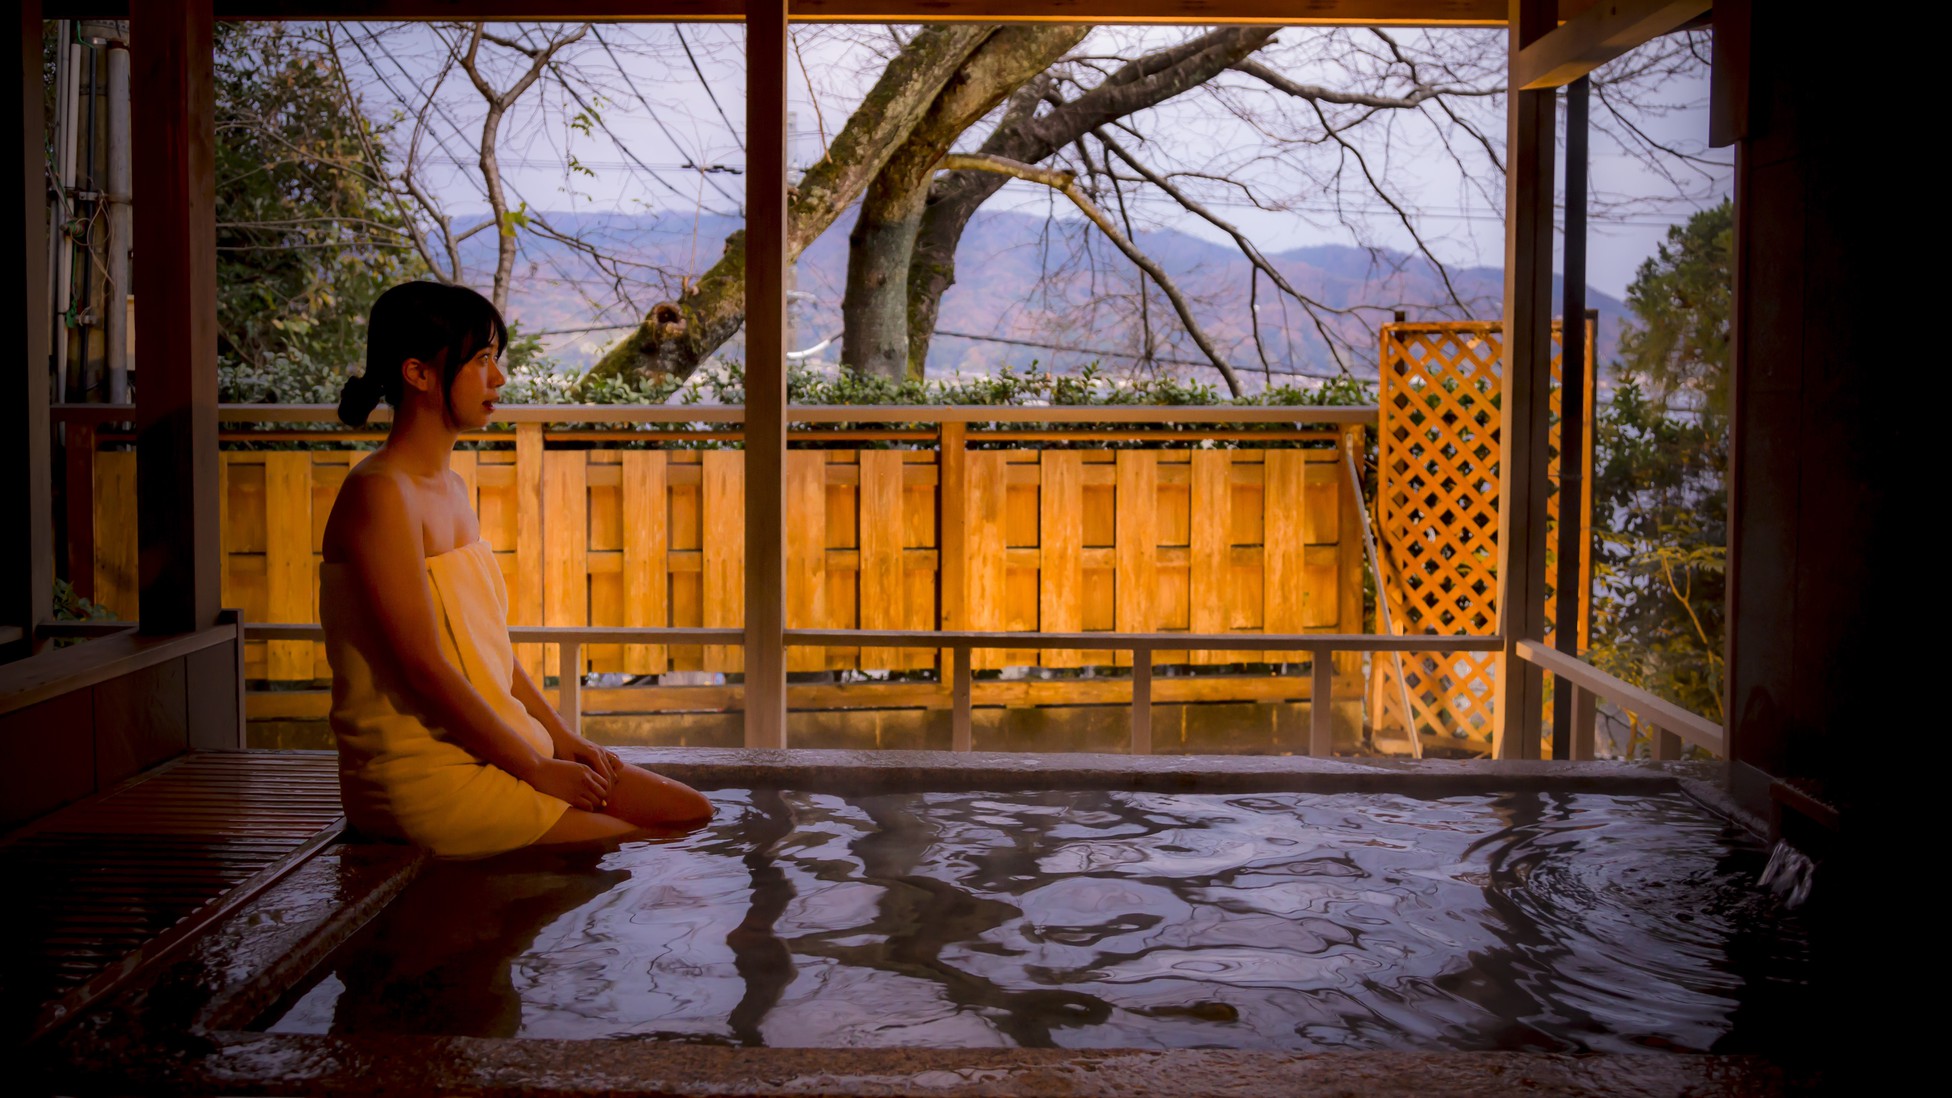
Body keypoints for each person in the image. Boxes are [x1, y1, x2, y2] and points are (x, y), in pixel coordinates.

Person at [319, 281, 711, 857]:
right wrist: (534, 768)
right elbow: (421, 671)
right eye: (481, 360)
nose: (498, 378)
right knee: (629, 848)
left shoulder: (450, 488)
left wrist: (561, 740)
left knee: (689, 815)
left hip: (497, 746)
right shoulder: (379, 495)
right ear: (418, 373)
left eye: (494, 359)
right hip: (426, 773)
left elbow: (490, 653)